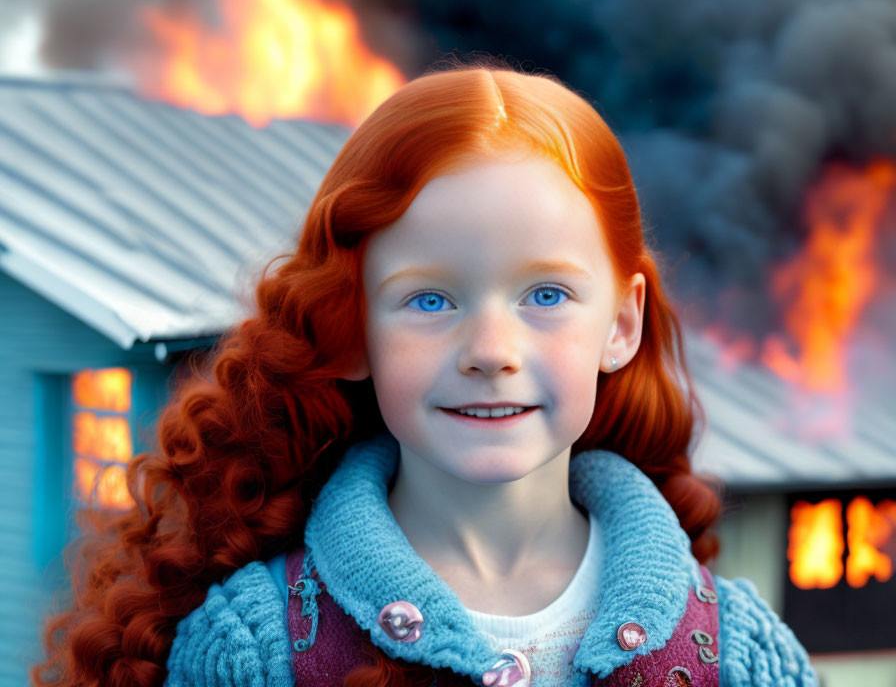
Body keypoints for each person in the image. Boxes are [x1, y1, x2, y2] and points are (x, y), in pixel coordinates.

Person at [33, 62, 818, 687]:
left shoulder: (738, 653)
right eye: (430, 298)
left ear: (620, 324)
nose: (489, 348)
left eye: (546, 294)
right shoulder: (257, 646)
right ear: (351, 329)